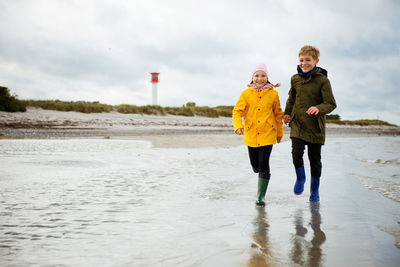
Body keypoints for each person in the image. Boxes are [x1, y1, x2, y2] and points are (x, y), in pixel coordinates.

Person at [283, 45, 336, 202]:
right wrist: (287, 113)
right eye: (301, 60)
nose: (304, 63)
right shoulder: (295, 79)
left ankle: (314, 191)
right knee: (296, 154)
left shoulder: (323, 80)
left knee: (315, 160)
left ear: (316, 61)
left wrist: (318, 108)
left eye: (308, 60)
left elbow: (331, 104)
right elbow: (291, 98)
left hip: (315, 126)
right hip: (298, 123)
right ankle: (300, 179)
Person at [233, 63, 283, 206]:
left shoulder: (273, 94)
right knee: (255, 164)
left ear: (267, 77)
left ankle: (261, 197)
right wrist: (238, 126)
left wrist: (279, 133)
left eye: (263, 75)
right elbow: (237, 111)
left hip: (268, 134)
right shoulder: (246, 94)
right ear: (252, 77)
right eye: (257, 75)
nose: (259, 78)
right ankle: (257, 170)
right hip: (251, 134)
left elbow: (278, 115)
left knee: (263, 163)